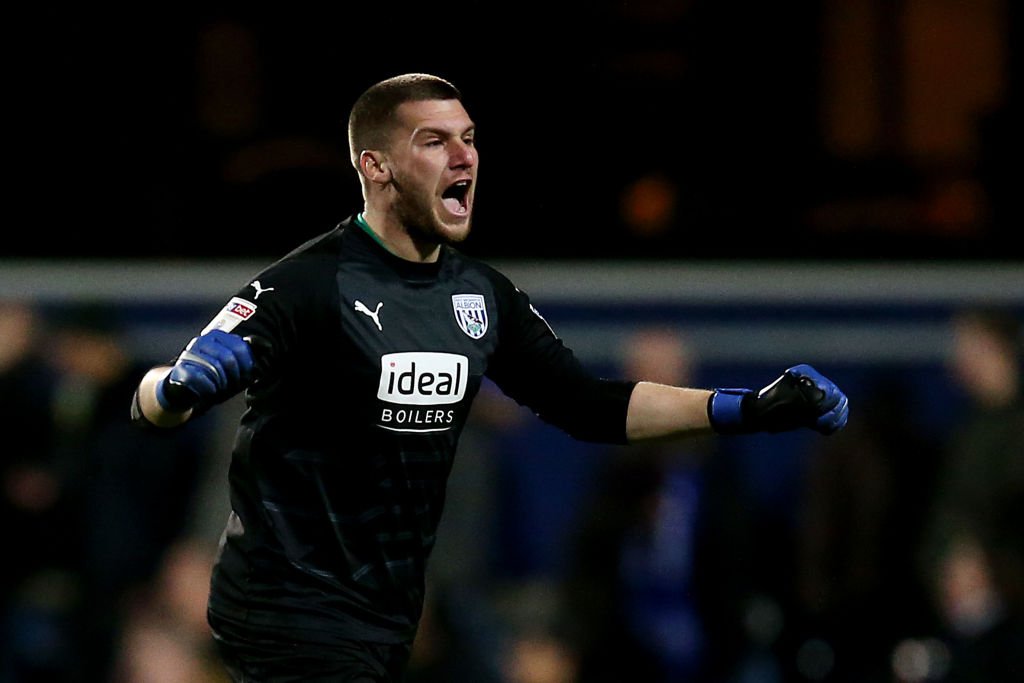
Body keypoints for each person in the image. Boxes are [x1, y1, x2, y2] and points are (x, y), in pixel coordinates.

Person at [129, 72, 850, 682]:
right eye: (434, 141)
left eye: (469, 138)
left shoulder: (479, 297)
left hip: (392, 613)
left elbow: (589, 404)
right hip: (288, 607)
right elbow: (156, 399)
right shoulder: (309, 286)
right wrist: (175, 384)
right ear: (376, 167)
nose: (463, 157)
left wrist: (748, 407)